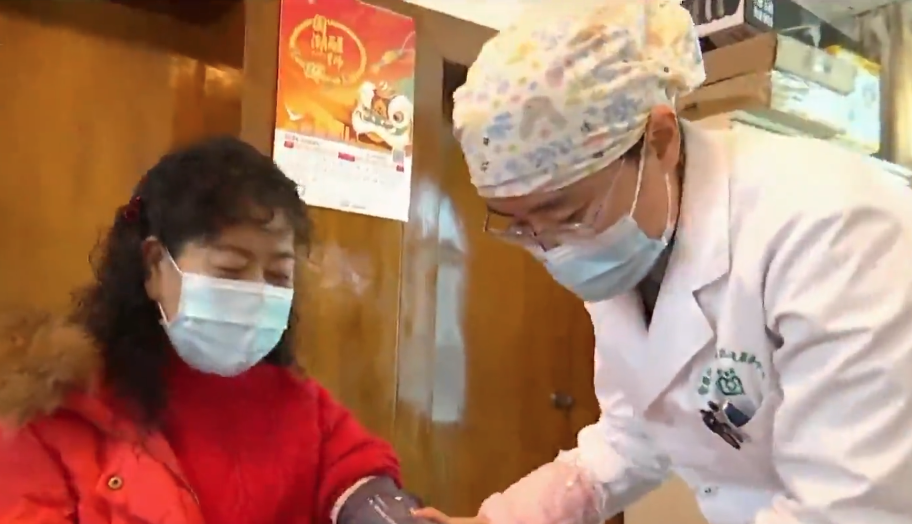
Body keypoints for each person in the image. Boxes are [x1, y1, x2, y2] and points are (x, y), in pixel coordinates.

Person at [414, 2, 912, 524]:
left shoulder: (831, 230)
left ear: (660, 140)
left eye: (569, 214)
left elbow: (850, 508)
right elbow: (631, 436)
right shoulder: (629, 244)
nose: (553, 247)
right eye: (519, 225)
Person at [0, 137, 425, 524]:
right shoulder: (55, 410)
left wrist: (384, 511)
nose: (257, 293)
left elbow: (358, 476)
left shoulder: (301, 408)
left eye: (278, 276)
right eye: (231, 269)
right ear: (154, 266)